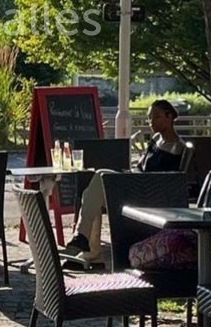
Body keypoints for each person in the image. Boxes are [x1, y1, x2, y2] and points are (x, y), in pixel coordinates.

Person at [64, 100, 187, 260]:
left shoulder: (176, 147)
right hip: (135, 184)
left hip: (146, 194)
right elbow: (143, 167)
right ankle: (85, 242)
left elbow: (162, 179)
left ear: (169, 116)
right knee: (92, 192)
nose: (151, 122)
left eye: (156, 117)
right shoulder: (157, 140)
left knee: (99, 178)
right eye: (149, 118)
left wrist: (132, 176)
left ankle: (86, 243)